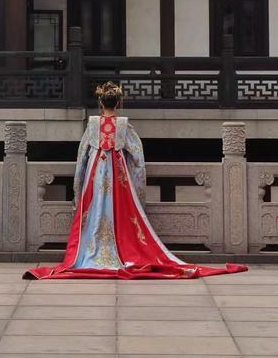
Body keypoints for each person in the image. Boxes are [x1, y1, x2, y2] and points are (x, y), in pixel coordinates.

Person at [25, 82, 247, 280]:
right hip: (118, 175)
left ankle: (89, 253)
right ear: (118, 103)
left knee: (93, 211)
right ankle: (122, 250)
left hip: (95, 173)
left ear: (100, 103)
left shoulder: (92, 125)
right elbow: (138, 157)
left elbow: (81, 157)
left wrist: (78, 187)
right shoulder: (124, 126)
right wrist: (138, 187)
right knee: (121, 211)